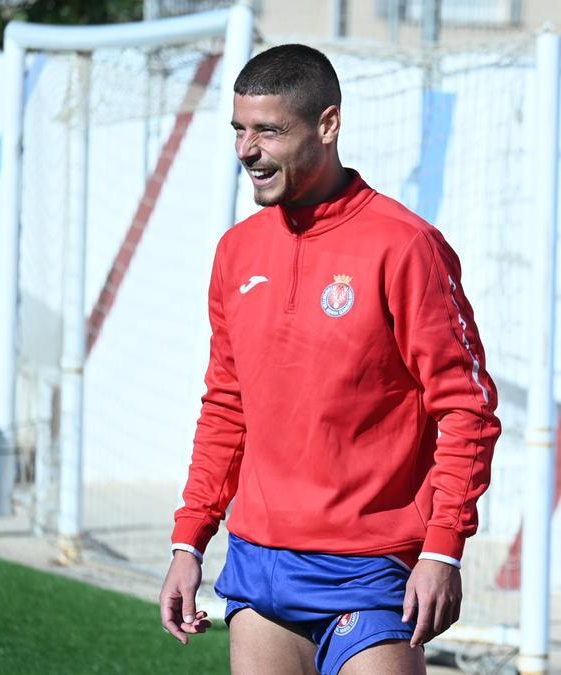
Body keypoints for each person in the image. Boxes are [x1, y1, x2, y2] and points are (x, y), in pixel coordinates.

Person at [157, 44, 500, 675]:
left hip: (371, 569)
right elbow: (226, 407)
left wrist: (443, 550)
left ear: (328, 125)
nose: (247, 150)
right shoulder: (236, 252)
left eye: (268, 131)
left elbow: (468, 409)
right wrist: (190, 540)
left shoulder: (407, 247)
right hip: (261, 563)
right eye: (239, 130)